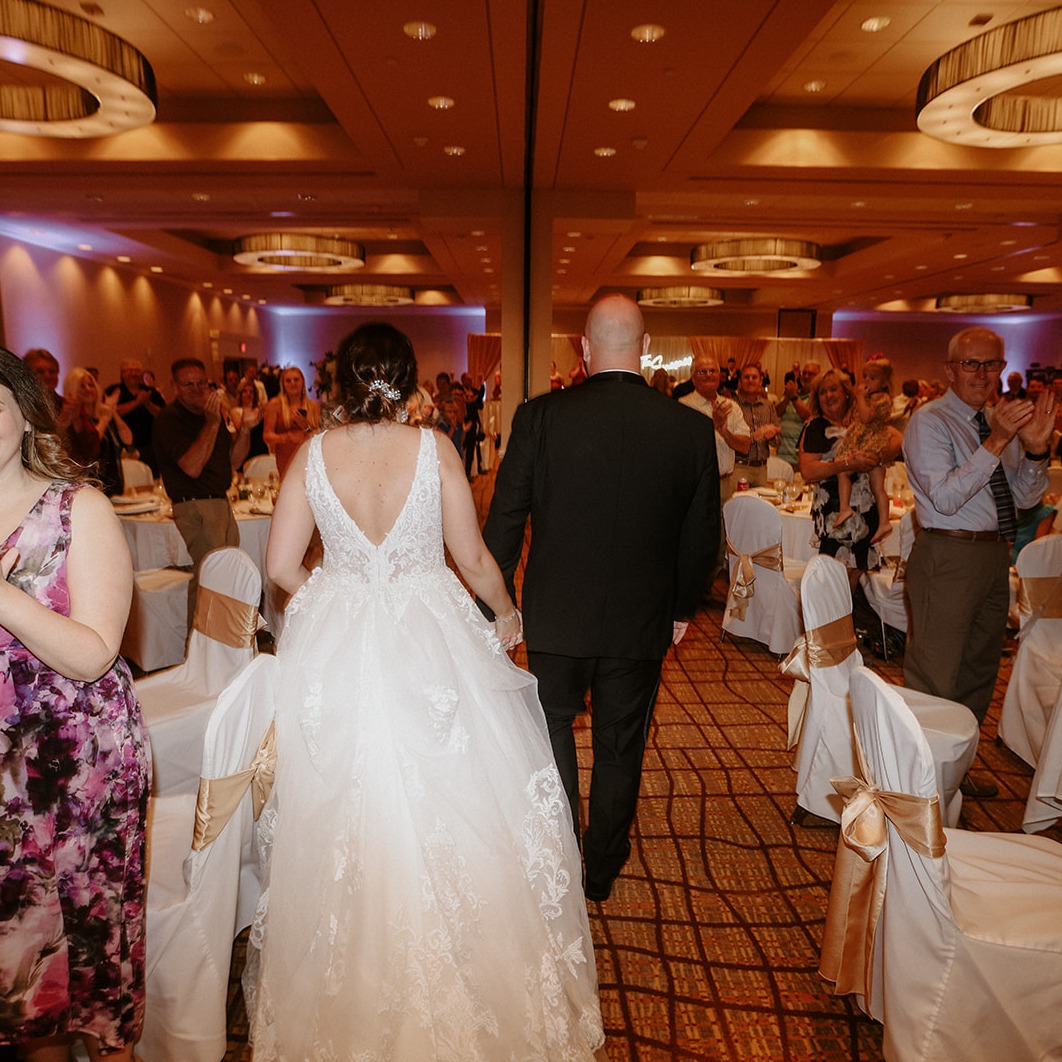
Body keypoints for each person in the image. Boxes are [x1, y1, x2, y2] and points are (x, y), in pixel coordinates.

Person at [244, 322, 606, 1060]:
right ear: (408, 380)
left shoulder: (311, 455)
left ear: (340, 381)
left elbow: (280, 566)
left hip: (343, 643)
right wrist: (506, 618)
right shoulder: (435, 449)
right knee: (463, 799)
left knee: (348, 804)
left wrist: (336, 595)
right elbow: (471, 557)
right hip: (430, 635)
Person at [483, 294, 719, 902]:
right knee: (620, 743)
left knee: (553, 727)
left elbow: (504, 522)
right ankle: (603, 866)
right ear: (643, 348)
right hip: (641, 620)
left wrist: (495, 607)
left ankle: (562, 848)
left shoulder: (539, 417)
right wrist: (682, 609)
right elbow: (702, 538)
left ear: (584, 350)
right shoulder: (690, 429)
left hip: (555, 615)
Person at [0, 348, 150, 1062]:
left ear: (25, 412)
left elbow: (93, 653)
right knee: (25, 992)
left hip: (75, 765)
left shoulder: (76, 508)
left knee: (91, 971)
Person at [903, 327, 1055, 798]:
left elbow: (1027, 497)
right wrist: (997, 442)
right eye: (971, 364)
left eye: (992, 364)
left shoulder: (997, 422)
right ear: (950, 371)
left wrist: (1034, 450)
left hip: (993, 556)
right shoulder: (929, 422)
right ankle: (917, 784)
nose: (982, 374)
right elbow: (946, 497)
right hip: (947, 554)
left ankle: (954, 771)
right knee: (935, 674)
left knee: (977, 671)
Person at [152, 357, 259, 617]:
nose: (197, 389)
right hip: (195, 506)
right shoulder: (169, 419)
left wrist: (244, 431)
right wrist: (212, 423)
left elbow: (233, 460)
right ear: (175, 386)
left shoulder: (211, 415)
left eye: (201, 383)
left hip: (220, 503)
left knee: (228, 575)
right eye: (188, 384)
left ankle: (224, 643)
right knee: (209, 577)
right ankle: (198, 647)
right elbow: (192, 466)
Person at [798, 368, 898, 586]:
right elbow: (808, 471)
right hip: (837, 511)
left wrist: (876, 457)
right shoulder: (816, 426)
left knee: (856, 570)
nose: (828, 396)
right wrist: (847, 463)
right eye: (822, 392)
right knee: (836, 573)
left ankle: (845, 616)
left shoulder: (862, 422)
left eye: (833, 389)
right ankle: (834, 618)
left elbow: (899, 440)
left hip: (867, 509)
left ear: (846, 393)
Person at [832, 357, 896, 543]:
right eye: (865, 376)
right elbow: (858, 416)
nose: (866, 381)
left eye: (872, 378)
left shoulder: (881, 398)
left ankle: (845, 508)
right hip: (869, 443)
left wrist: (859, 397)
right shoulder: (870, 398)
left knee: (843, 469)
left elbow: (867, 418)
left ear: (884, 382)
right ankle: (884, 522)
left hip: (870, 445)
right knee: (878, 486)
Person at [679, 353, 750, 506]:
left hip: (726, 483)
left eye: (712, 371)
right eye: (702, 372)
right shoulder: (683, 406)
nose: (708, 375)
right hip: (697, 486)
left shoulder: (731, 406)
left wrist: (723, 430)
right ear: (693, 378)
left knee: (726, 530)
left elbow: (745, 446)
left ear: (719, 376)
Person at [58, 366, 133, 497]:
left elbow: (128, 440)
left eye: (91, 385)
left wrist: (112, 412)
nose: (88, 389)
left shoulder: (103, 415)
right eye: (82, 386)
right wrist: (105, 419)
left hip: (114, 485)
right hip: (91, 488)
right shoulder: (77, 421)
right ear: (72, 390)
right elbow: (92, 445)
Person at [104, 358, 165, 474]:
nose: (133, 374)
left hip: (150, 444)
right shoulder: (114, 391)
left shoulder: (150, 391)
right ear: (122, 374)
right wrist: (137, 402)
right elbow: (111, 412)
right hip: (124, 447)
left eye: (136, 371)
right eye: (129, 371)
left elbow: (162, 414)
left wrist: (147, 403)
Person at [263, 366, 321, 479]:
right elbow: (267, 435)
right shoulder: (274, 404)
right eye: (288, 380)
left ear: (302, 382)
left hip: (308, 457)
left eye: (296, 379)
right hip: (285, 457)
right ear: (283, 384)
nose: (292, 383)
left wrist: (306, 427)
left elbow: (319, 436)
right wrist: (286, 437)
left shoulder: (313, 406)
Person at [734, 364, 781, 487]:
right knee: (739, 505)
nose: (750, 380)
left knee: (760, 506)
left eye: (754, 377)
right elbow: (729, 438)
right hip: (738, 467)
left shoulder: (768, 406)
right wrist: (754, 436)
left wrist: (771, 436)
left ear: (760, 381)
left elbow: (778, 442)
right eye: (746, 377)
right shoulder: (732, 406)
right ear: (739, 382)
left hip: (761, 469)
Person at [774, 361, 819, 469]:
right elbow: (776, 413)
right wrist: (788, 397)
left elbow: (809, 416)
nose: (806, 377)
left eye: (811, 374)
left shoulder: (817, 399)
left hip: (798, 459)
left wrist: (794, 397)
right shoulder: (790, 394)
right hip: (780, 456)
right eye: (804, 373)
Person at [230, 378, 269, 461]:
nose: (248, 394)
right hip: (246, 450)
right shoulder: (235, 411)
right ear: (240, 394)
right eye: (245, 391)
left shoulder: (259, 410)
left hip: (261, 448)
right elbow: (240, 428)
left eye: (251, 392)